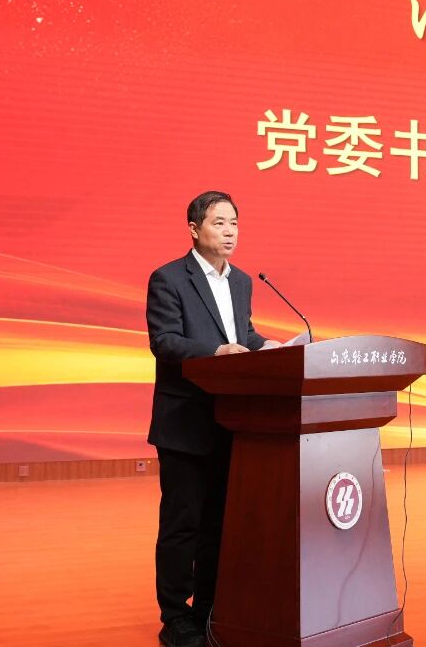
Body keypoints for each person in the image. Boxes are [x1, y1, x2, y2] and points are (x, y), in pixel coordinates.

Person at [145, 190, 280, 647]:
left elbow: (243, 335)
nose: (229, 232)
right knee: (182, 524)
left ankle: (207, 607)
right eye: (219, 223)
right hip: (185, 422)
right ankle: (174, 617)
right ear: (194, 229)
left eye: (234, 224)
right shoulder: (168, 278)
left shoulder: (241, 282)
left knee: (218, 523)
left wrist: (271, 347)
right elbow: (164, 341)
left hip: (230, 421)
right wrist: (216, 351)